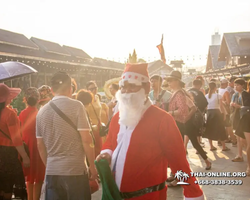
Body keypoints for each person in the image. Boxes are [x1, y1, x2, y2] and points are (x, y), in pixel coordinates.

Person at [96, 63, 204, 200]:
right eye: (123, 87)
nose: (126, 91)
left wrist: (193, 192)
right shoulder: (118, 117)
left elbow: (179, 162)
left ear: (146, 88)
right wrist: (107, 153)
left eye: (132, 86)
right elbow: (111, 143)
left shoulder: (163, 120)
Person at [36, 72, 97, 200]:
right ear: (71, 88)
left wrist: (51, 166)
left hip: (52, 171)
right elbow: (86, 139)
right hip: (75, 170)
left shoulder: (41, 112)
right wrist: (92, 165)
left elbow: (40, 145)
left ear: (52, 90)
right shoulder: (76, 106)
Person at [0, 83, 30, 200]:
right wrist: (25, 156)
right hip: (8, 154)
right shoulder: (10, 114)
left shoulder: (9, 112)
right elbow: (16, 138)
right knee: (8, 186)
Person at [19, 87, 45, 200]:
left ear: (25, 99)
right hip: (38, 146)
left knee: (29, 178)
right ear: (38, 99)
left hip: (25, 145)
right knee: (38, 178)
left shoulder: (22, 113)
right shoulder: (39, 114)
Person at [203, 82, 229, 151]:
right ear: (215, 88)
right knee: (221, 129)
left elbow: (205, 107)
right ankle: (223, 146)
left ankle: (211, 146)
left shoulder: (206, 96)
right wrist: (223, 114)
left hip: (209, 113)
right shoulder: (218, 95)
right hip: (217, 113)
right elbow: (221, 106)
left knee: (209, 129)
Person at [235, 80, 250, 176]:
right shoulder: (245, 94)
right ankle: (249, 166)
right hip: (247, 119)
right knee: (246, 142)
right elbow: (245, 107)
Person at [86, 81, 103, 157]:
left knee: (100, 146)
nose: (94, 90)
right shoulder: (87, 99)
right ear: (87, 90)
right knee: (93, 147)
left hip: (99, 124)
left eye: (95, 88)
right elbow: (86, 113)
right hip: (91, 126)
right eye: (91, 89)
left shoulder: (97, 97)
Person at [231, 78, 246, 162]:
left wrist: (239, 106)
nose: (236, 87)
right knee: (238, 137)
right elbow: (231, 103)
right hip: (237, 116)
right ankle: (239, 155)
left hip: (245, 117)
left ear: (242, 85)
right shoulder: (235, 95)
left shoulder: (245, 94)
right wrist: (232, 104)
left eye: (237, 85)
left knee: (244, 138)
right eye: (235, 85)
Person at [218, 78, 236, 145]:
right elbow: (228, 102)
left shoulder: (218, 90)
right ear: (225, 84)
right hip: (226, 110)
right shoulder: (226, 92)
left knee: (223, 125)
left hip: (220, 111)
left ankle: (222, 139)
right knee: (229, 125)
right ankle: (233, 140)